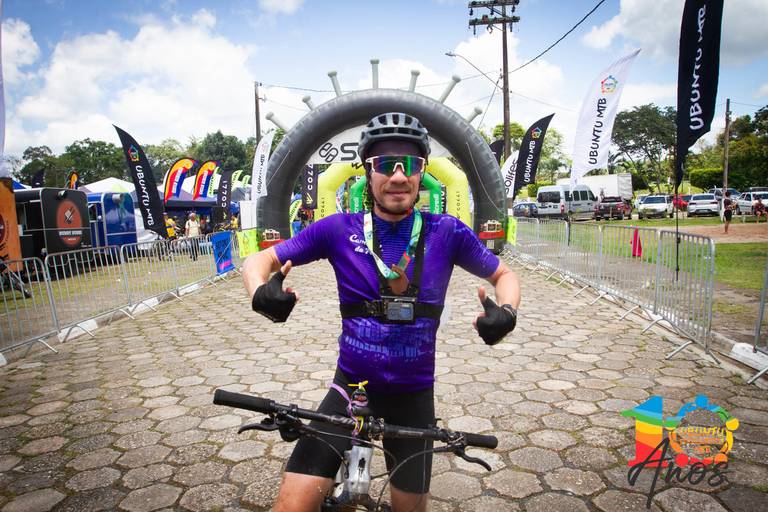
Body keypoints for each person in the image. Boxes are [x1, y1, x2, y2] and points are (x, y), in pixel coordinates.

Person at [242, 112, 521, 512]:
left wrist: (507, 312)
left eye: (410, 164)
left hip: (413, 397)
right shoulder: (337, 229)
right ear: (368, 171)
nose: (398, 176)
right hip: (350, 390)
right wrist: (259, 293)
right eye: (386, 164)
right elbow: (258, 261)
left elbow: (504, 274)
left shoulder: (448, 231)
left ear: (423, 171)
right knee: (291, 507)